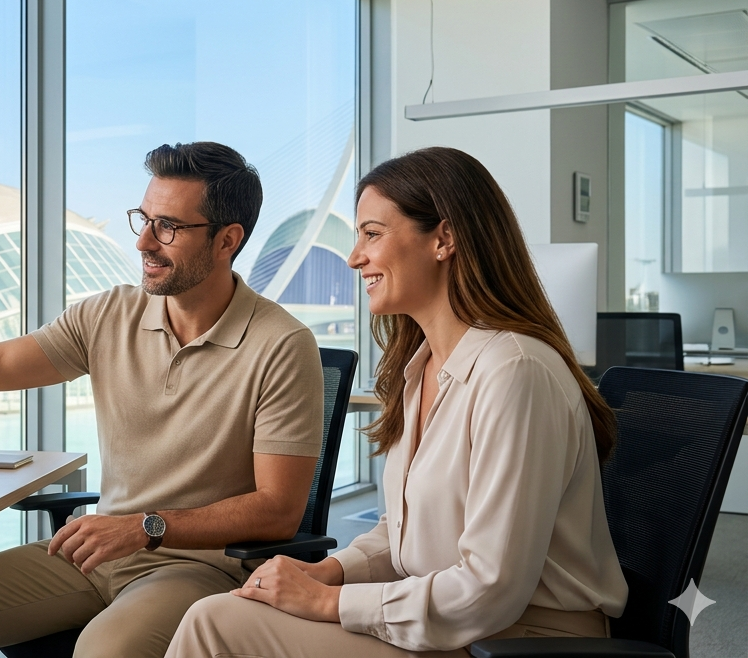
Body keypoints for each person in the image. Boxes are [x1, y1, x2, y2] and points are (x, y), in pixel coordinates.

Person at [0, 142, 325, 658]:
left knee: (103, 650)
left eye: (168, 226)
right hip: (100, 553)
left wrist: (145, 528)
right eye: (142, 219)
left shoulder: (281, 345)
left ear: (226, 240)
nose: (143, 242)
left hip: (198, 565)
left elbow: (277, 511)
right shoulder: (108, 315)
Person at [166, 146, 629, 658]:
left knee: (216, 624)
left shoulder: (515, 372)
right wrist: (330, 571)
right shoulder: (423, 367)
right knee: (225, 614)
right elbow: (408, 535)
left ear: (444, 239)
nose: (353, 256)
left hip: (524, 638)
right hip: (451, 624)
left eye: (372, 234)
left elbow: (490, 588)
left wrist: (327, 603)